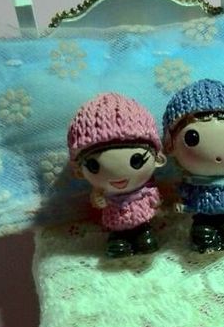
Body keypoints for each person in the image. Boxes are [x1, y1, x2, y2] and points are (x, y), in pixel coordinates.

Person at [162, 78, 224, 253]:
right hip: (201, 217)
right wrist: (183, 205)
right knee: (203, 235)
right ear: (170, 146)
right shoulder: (192, 185)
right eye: (192, 138)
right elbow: (185, 196)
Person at [68, 92, 166, 257]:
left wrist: (156, 202)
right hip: (115, 223)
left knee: (145, 240)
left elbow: (154, 199)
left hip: (143, 221)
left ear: (157, 158)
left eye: (136, 161)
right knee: (118, 245)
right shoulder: (104, 194)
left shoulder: (145, 191)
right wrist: (99, 200)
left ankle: (142, 234)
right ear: (79, 171)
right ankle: (119, 239)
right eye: (94, 166)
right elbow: (98, 202)